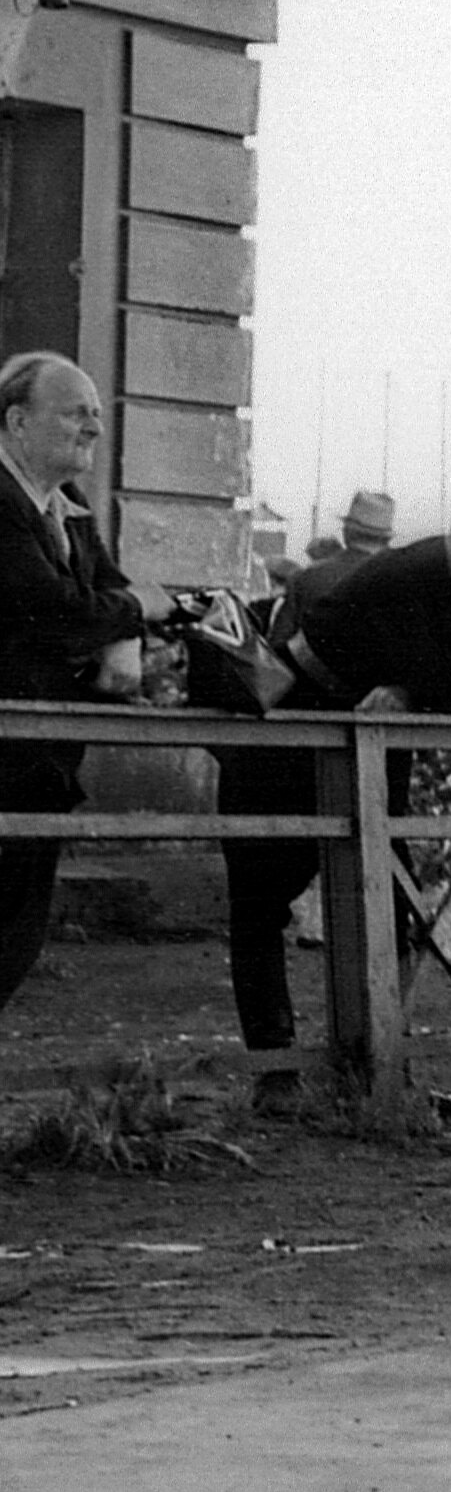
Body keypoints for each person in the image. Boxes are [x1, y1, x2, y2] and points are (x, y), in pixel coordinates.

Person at [214, 487, 451, 1065]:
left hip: (364, 755)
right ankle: (275, 1067)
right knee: (260, 908)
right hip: (287, 742)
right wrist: (429, 679)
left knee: (391, 911)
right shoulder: (407, 575)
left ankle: (375, 1066)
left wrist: (425, 679)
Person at [0, 353, 171, 1015]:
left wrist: (123, 631)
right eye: (77, 413)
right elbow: (54, 612)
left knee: (15, 934)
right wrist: (130, 614)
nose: (96, 427)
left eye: (97, 413)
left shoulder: (67, 510)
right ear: (18, 421)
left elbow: (110, 592)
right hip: (11, 752)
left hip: (39, 761)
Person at [289, 489, 396, 618]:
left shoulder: (308, 578)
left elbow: (284, 629)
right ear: (386, 538)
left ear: (346, 532)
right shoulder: (404, 580)